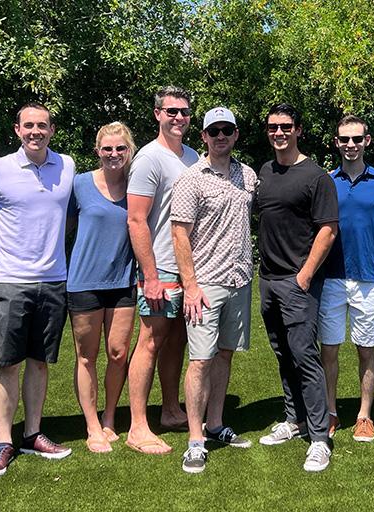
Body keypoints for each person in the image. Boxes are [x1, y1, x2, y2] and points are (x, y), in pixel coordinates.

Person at [0, 103, 75, 477]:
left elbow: (67, 217)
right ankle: (4, 441)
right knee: (8, 363)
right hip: (10, 279)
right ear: (17, 130)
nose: (36, 131)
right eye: (29, 126)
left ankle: (33, 433)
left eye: (43, 126)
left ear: (52, 130)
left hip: (53, 279)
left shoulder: (66, 166)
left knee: (39, 360)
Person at [170, 107, 256, 473]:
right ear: (203, 137)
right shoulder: (191, 179)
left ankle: (216, 424)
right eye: (213, 131)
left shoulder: (248, 175)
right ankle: (194, 439)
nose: (221, 136)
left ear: (236, 135)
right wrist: (190, 286)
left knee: (224, 355)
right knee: (200, 360)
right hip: (204, 284)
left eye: (227, 130)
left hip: (239, 281)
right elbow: (179, 234)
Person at [255, 103, 339, 472]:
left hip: (297, 282)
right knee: (282, 354)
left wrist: (304, 275)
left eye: (286, 126)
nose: (279, 133)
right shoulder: (265, 172)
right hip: (268, 280)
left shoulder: (316, 176)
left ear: (299, 130)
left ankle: (320, 438)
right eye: (273, 127)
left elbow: (328, 229)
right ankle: (294, 420)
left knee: (304, 355)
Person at [125, 86, 199, 454]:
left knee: (177, 342)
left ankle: (170, 410)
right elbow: (137, 219)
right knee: (151, 341)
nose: (178, 118)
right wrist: (150, 276)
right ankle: (138, 426)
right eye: (171, 111)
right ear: (157, 114)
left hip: (189, 270)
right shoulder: (149, 158)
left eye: (184, 111)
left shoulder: (192, 156)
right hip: (161, 270)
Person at [66, 122, 138, 454]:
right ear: (98, 151)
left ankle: (110, 417)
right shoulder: (79, 184)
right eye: (107, 149)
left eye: (120, 148)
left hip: (123, 281)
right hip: (84, 283)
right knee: (86, 356)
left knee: (118, 353)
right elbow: (61, 225)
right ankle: (92, 425)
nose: (113, 154)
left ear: (129, 150)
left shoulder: (138, 186)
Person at [318, 114, 374, 442]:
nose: (350, 145)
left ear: (367, 141)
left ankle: (364, 415)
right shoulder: (325, 182)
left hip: (368, 277)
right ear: (336, 142)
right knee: (329, 349)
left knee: (366, 349)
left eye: (356, 139)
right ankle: (331, 411)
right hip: (331, 276)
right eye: (344, 139)